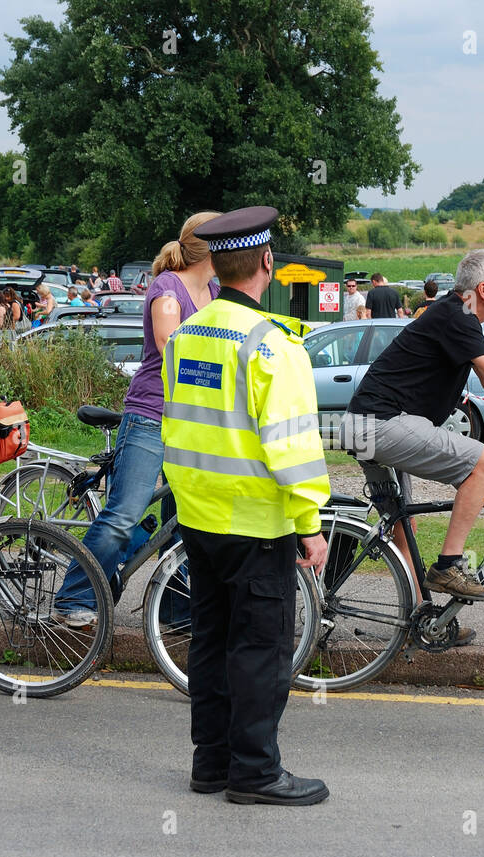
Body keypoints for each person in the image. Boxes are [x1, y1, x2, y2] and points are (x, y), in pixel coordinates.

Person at [161, 206, 331, 805]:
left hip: (199, 517)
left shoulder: (186, 333)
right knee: (259, 650)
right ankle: (255, 773)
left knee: (210, 641)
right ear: (267, 263)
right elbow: (292, 445)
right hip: (256, 522)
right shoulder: (273, 345)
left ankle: (211, 763)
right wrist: (310, 523)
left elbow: (181, 424)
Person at [340, 248, 484, 639]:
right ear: (483, 289)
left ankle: (422, 624)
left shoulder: (460, 316)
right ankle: (449, 565)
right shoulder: (458, 315)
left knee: (403, 527)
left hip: (366, 425)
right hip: (382, 425)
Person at [55, 211, 222, 625]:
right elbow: (168, 344)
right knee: (125, 513)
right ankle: (74, 598)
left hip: (193, 421)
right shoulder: (168, 288)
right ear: (212, 246)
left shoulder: (216, 291)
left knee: (190, 518)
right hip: (152, 415)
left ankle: (175, 607)